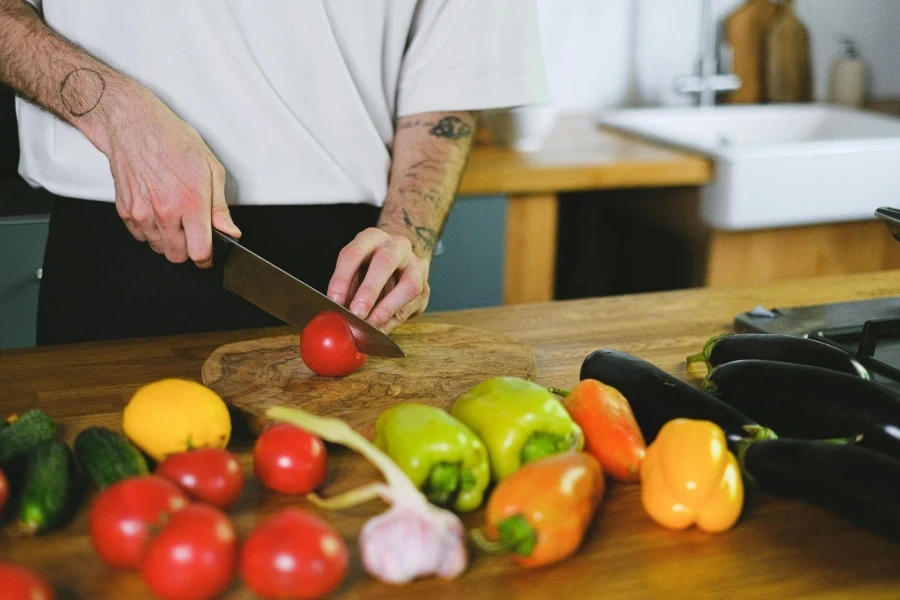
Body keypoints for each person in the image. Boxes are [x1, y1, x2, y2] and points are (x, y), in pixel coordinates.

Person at [0, 0, 548, 345]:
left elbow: (448, 84)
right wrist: (114, 112)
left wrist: (408, 234)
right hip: (118, 245)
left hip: (346, 274)